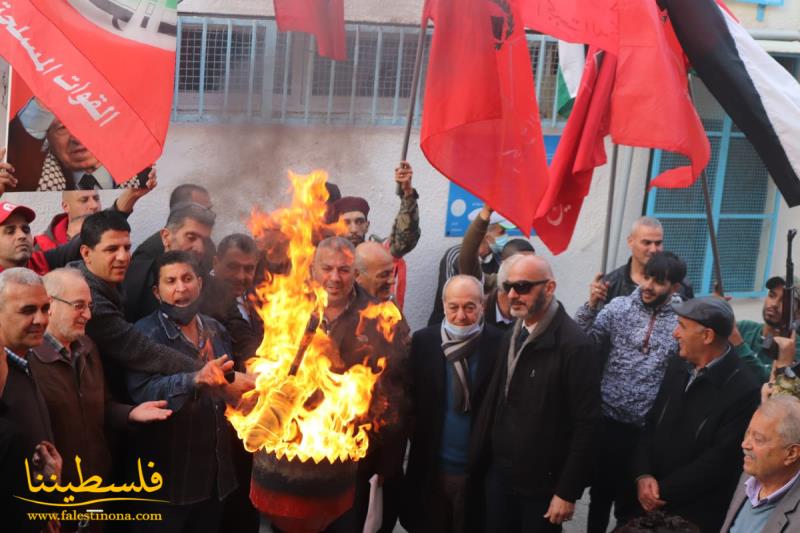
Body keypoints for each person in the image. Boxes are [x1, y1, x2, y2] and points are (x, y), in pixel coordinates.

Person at [469, 255, 602, 532]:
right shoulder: (511, 335)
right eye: (508, 287)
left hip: (543, 486)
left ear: (549, 287)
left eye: (523, 286)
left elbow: (587, 425)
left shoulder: (575, 345)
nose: (513, 294)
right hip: (500, 477)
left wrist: (567, 491)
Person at [127, 251, 245, 533]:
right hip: (167, 487)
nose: (181, 288)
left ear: (200, 284)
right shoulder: (144, 335)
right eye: (171, 281)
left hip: (215, 481)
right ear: (157, 292)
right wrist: (194, 380)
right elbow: (143, 392)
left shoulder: (216, 330)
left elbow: (229, 388)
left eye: (187, 278)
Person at [30, 268, 172, 489]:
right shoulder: (28, 360)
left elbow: (102, 407)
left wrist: (130, 413)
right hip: (53, 495)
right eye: (79, 306)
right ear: (49, 305)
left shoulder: (87, 348)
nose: (88, 315)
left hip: (95, 486)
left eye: (89, 306)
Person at [574, 252, 687, 532]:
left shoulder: (683, 321)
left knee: (634, 505)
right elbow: (580, 344)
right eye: (646, 277)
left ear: (675, 288)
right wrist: (591, 305)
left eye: (658, 282)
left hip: (648, 432)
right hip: (608, 422)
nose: (648, 286)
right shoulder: (618, 308)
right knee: (600, 497)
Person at [633, 297, 761, 532]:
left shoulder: (744, 389)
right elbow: (650, 423)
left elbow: (719, 460)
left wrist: (660, 491)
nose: (675, 334)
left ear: (707, 336)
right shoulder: (677, 365)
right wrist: (642, 474)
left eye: (682, 326)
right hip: (650, 501)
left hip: (694, 516)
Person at [311, 237, 410, 533]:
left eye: (343, 269)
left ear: (355, 272)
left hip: (360, 461)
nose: (334, 277)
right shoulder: (291, 311)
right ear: (313, 269)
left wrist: (387, 465)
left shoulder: (384, 317)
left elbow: (402, 391)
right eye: (327, 268)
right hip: (304, 458)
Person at [402, 275, 504, 533]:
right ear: (443, 305)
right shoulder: (424, 342)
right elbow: (409, 400)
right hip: (431, 468)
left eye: (470, 307)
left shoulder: (500, 344)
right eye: (454, 307)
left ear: (482, 305)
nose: (461, 316)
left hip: (477, 471)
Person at [72, 211, 205, 401]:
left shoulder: (109, 280)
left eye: (126, 248)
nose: (123, 257)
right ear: (86, 253)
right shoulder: (88, 297)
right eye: (111, 249)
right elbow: (141, 350)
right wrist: (206, 371)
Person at [330, 161, 421, 308]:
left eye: (359, 222)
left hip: (378, 324)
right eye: (347, 222)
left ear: (367, 225)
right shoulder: (326, 259)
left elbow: (406, 237)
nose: (353, 229)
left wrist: (408, 194)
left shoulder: (381, 253)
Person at [123, 203, 216, 322]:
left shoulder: (212, 286)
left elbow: (233, 321)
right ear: (166, 237)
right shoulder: (131, 280)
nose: (200, 248)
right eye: (191, 237)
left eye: (205, 240)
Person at [720, 396, 800, 532]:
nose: (745, 444)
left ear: (791, 454)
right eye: (747, 433)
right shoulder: (748, 477)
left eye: (758, 439)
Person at [427, 206, 511, 326]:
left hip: (482, 327)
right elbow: (449, 296)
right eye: (502, 232)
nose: (505, 236)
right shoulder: (455, 255)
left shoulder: (499, 257)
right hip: (446, 326)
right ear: (485, 235)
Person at [588, 217, 693, 309]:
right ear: (630, 241)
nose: (653, 249)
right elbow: (593, 329)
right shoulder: (610, 283)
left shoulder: (680, 284)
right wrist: (591, 305)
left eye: (658, 243)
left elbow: (691, 326)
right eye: (647, 243)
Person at [730, 276, 800, 382]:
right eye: (772, 296)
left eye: (784, 302)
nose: (774, 304)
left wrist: (739, 345)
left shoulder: (795, 347)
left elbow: (773, 383)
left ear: (798, 313)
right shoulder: (743, 327)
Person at [33, 191, 102, 251]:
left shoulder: (111, 234)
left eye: (96, 199)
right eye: (84, 200)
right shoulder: (42, 247)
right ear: (66, 206)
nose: (94, 205)